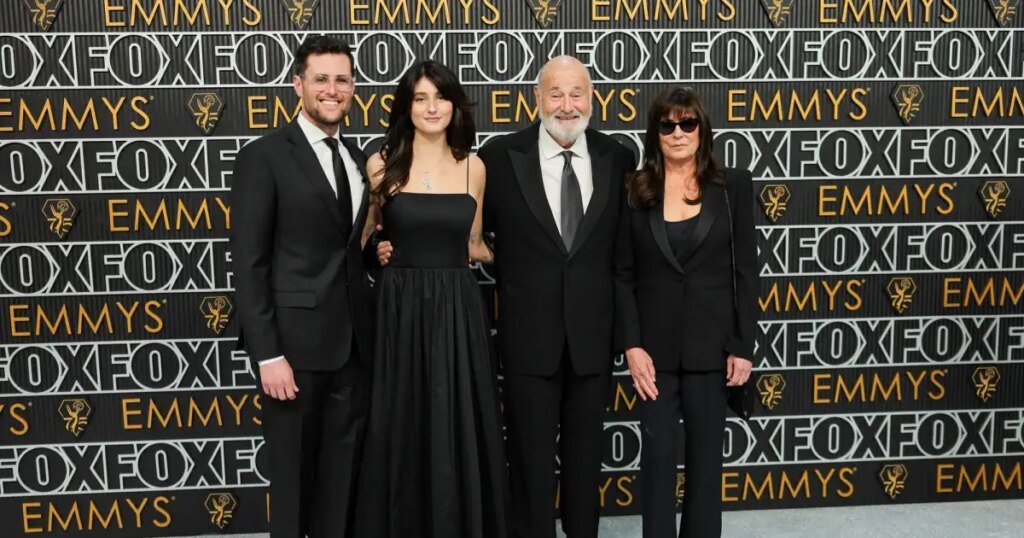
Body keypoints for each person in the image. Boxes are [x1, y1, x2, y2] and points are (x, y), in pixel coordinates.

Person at [380, 55, 636, 538]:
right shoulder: (496, 158)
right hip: (525, 338)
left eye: (576, 94)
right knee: (529, 467)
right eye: (555, 94)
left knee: (586, 467)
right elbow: (470, 235)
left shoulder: (617, 156)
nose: (566, 105)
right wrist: (387, 244)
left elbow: (622, 258)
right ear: (536, 99)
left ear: (592, 100)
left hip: (592, 340)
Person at [353, 59, 508, 538]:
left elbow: (475, 243)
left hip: (459, 308)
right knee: (402, 419)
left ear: (454, 105)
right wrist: (375, 252)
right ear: (406, 107)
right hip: (401, 306)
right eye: (419, 98)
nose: (431, 107)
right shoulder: (380, 162)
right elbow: (361, 240)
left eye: (439, 97)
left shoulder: (474, 167)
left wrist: (526, 260)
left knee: (457, 417)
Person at [229, 36, 375, 538]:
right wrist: (267, 354)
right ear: (298, 85)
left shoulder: (358, 160)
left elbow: (348, 247)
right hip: (291, 352)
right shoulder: (264, 157)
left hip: (353, 347)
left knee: (341, 480)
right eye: (321, 79)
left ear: (353, 88)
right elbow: (249, 264)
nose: (332, 90)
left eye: (342, 80)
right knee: (291, 483)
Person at [614, 87, 758, 538]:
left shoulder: (732, 184)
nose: (678, 133)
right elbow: (621, 274)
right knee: (656, 462)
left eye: (687, 124)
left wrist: (741, 345)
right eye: (667, 125)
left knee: (705, 465)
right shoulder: (635, 189)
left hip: (711, 350)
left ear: (702, 129)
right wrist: (632, 345)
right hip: (653, 355)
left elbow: (746, 272)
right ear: (655, 133)